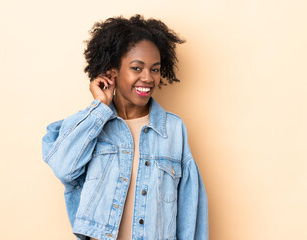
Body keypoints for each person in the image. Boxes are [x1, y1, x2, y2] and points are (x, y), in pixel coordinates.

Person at [42, 14, 208, 240]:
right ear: (112, 72)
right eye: (137, 68)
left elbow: (191, 212)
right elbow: (63, 167)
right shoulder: (92, 125)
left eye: (155, 69)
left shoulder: (173, 130)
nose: (148, 78)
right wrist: (100, 107)